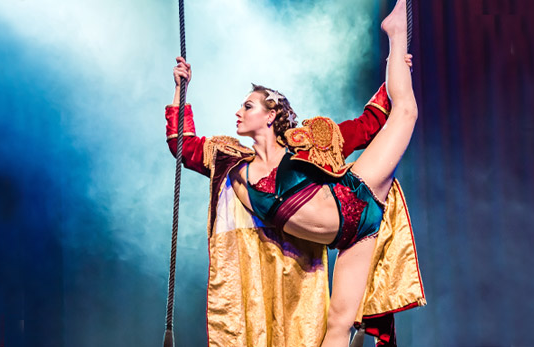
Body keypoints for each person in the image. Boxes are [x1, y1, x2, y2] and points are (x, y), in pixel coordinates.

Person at [165, 1, 424, 346]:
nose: (238, 112)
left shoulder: (309, 142)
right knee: (337, 330)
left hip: (359, 197)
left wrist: (395, 69)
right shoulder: (229, 161)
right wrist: (181, 90)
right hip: (351, 237)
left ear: (270, 113)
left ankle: (395, 33)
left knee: (405, 112)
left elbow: (368, 125)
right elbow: (183, 146)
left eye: (248, 105)